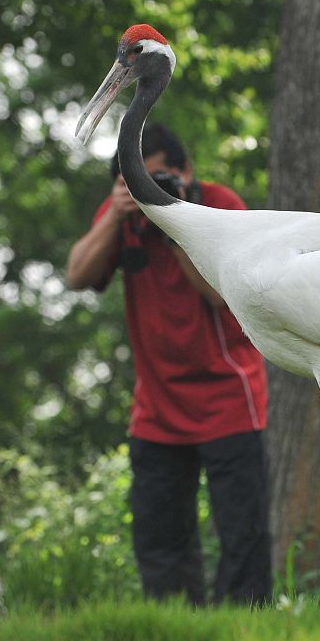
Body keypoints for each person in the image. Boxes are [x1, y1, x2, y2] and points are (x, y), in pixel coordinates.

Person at [66, 123, 272, 606]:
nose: (149, 190)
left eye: (158, 178)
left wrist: (176, 223)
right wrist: (114, 218)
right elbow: (77, 274)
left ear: (185, 172)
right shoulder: (124, 213)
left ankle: (243, 633)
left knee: (244, 537)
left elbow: (225, 293)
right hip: (157, 410)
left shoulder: (221, 205)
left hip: (230, 399)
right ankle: (178, 629)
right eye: (138, 181)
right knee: (159, 540)